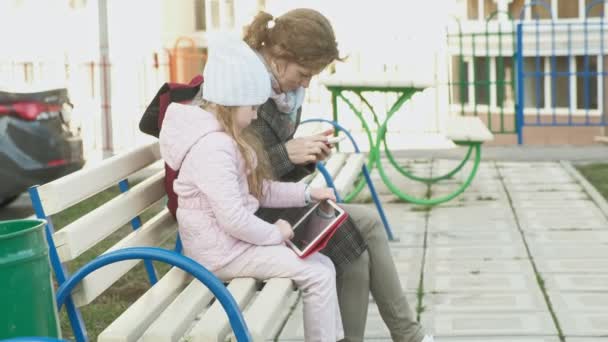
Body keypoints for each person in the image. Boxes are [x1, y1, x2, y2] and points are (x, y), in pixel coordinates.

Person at [243, 9, 434, 342]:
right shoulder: (245, 89)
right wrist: (287, 154)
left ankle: (407, 336)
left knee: (355, 248)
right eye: (303, 73)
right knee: (359, 237)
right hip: (250, 216)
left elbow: (272, 164)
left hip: (275, 202)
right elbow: (235, 173)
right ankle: (410, 336)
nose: (306, 83)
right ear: (278, 58)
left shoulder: (281, 93)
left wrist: (305, 156)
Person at [158, 34, 343, 341]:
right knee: (318, 274)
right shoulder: (214, 149)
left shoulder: (224, 140)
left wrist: (308, 193)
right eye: (253, 108)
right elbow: (233, 218)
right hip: (219, 255)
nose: (256, 115)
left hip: (228, 246)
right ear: (231, 103)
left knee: (322, 264)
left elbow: (259, 191)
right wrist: (276, 234)